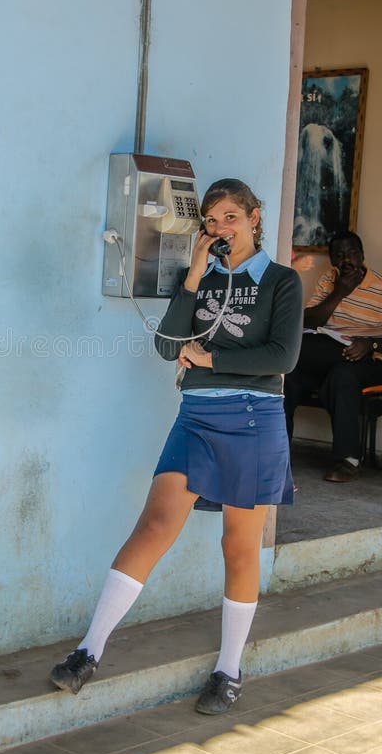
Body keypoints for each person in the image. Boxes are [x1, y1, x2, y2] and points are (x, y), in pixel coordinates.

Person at [49, 179, 303, 714]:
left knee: (238, 546)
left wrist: (211, 360)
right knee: (155, 525)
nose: (220, 229)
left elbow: (282, 357)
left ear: (255, 218)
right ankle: (88, 650)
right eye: (212, 221)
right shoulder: (202, 278)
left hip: (254, 420)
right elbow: (167, 346)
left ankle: (228, 670)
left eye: (231, 217)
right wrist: (192, 275)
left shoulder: (281, 282)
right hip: (198, 418)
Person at [284, 231, 382, 483]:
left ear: (362, 255)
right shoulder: (330, 280)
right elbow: (310, 321)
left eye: (351, 253)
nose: (345, 260)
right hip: (331, 353)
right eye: (338, 255)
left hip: (375, 359)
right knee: (289, 374)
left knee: (341, 375)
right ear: (331, 260)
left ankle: (348, 459)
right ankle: (277, 451)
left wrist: (369, 344)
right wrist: (339, 293)